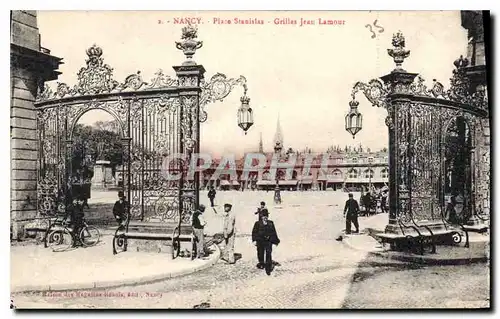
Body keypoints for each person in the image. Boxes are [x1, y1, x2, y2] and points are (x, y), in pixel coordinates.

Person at [252, 209, 280, 275]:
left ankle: (268, 269)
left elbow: (274, 232)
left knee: (268, 254)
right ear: (261, 216)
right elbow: (254, 232)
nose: (265, 217)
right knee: (260, 253)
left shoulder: (271, 223)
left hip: (268, 241)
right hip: (260, 241)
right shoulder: (257, 223)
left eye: (266, 216)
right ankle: (261, 263)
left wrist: (276, 241)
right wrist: (254, 240)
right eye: (264, 216)